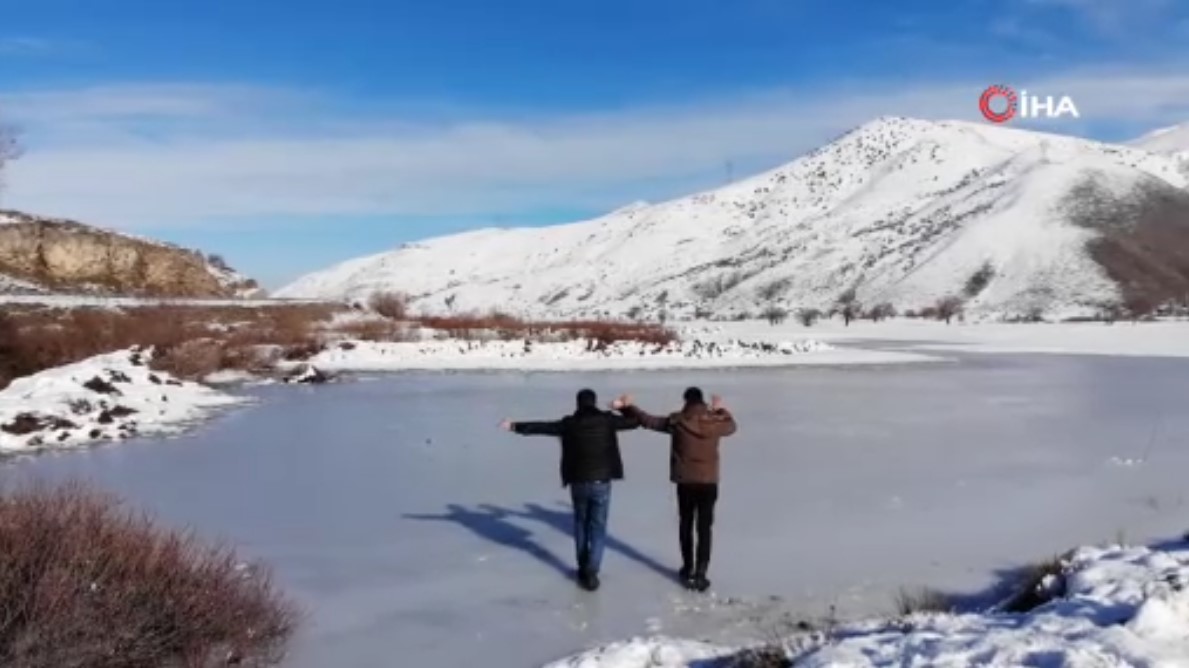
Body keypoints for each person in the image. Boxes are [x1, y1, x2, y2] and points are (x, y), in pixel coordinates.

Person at [500, 388, 639, 591]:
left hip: (578, 482)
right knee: (598, 528)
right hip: (602, 481)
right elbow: (635, 422)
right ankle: (592, 571)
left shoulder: (569, 424)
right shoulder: (607, 420)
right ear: (595, 402)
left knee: (581, 524)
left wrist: (514, 426)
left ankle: (583, 568)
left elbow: (543, 427)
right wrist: (624, 407)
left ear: (578, 404)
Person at [612, 387, 736, 592]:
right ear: (703, 402)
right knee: (704, 528)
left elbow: (647, 420)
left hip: (685, 482)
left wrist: (627, 408)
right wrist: (720, 410)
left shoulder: (677, 422)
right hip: (708, 483)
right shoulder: (715, 423)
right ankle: (701, 574)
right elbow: (731, 426)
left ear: (685, 401)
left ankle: (688, 569)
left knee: (686, 525)